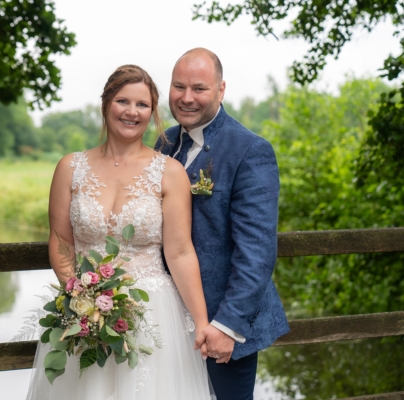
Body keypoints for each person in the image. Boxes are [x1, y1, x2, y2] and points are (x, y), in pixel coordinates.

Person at [25, 65, 215, 399]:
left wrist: (200, 322)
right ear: (105, 104)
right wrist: (79, 297)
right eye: (122, 101)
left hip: (152, 312)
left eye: (142, 105)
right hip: (84, 313)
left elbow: (181, 252)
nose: (131, 112)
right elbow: (61, 240)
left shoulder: (169, 172)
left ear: (152, 113)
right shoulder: (70, 167)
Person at [156, 48, 290, 400]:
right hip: (164, 318)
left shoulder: (251, 150)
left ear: (221, 89)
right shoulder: (164, 143)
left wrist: (227, 327)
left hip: (222, 325)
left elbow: (257, 252)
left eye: (199, 88)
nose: (186, 98)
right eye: (178, 86)